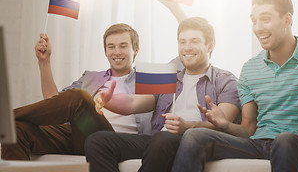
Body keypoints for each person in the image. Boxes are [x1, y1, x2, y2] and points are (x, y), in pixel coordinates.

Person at [170, 0, 298, 172]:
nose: (258, 28)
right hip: (259, 144)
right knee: (195, 136)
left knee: (284, 140)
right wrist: (225, 125)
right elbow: (248, 129)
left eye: (266, 19)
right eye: (254, 21)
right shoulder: (250, 68)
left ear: (287, 19)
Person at [1, 0, 186, 160]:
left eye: (123, 46)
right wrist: (44, 62)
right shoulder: (91, 78)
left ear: (135, 50)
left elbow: (187, 54)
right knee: (16, 131)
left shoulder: (148, 78)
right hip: (79, 135)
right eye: (111, 47)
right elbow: (53, 102)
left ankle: (5, 118)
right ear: (105, 51)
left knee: (79, 98)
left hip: (117, 142)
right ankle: (8, 123)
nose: (117, 52)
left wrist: (175, 9)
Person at [84, 17, 241, 172]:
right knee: (97, 140)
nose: (187, 48)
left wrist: (187, 127)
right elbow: (132, 103)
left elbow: (224, 123)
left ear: (210, 46)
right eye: (182, 42)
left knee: (163, 139)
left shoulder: (226, 80)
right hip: (158, 141)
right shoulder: (168, 76)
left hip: (192, 142)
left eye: (194, 41)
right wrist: (108, 100)